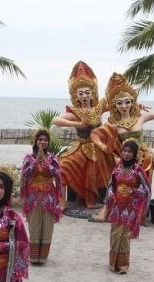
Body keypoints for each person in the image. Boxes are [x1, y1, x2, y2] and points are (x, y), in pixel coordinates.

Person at [90, 72, 154, 222]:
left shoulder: (140, 117)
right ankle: (106, 211)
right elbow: (94, 134)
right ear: (114, 105)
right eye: (119, 103)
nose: (124, 106)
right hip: (125, 158)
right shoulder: (114, 123)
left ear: (132, 102)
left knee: (142, 186)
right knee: (115, 183)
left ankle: (140, 214)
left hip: (143, 157)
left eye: (127, 102)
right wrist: (104, 148)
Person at [52, 61, 115, 210]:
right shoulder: (75, 112)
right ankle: (62, 201)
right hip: (81, 147)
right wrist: (77, 125)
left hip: (99, 147)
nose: (85, 96)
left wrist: (136, 108)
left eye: (87, 92)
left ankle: (109, 201)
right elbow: (56, 120)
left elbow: (116, 103)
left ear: (93, 93)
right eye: (81, 93)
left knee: (116, 167)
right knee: (62, 167)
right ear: (76, 96)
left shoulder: (99, 108)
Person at [104, 140, 150, 274]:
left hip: (130, 208)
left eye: (130, 152)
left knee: (124, 236)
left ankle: (123, 266)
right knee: (114, 234)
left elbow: (146, 190)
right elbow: (111, 184)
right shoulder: (117, 168)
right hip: (117, 206)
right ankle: (113, 264)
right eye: (124, 151)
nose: (126, 154)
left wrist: (134, 192)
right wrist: (111, 193)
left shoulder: (138, 170)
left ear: (135, 154)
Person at [20, 129, 63, 264]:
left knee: (47, 225)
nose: (42, 142)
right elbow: (25, 175)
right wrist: (35, 162)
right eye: (40, 139)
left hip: (49, 197)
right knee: (34, 223)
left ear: (48, 142)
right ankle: (33, 257)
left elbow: (57, 174)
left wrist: (44, 160)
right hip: (33, 197)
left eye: (45, 140)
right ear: (36, 141)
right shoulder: (28, 158)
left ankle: (43, 257)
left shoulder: (53, 158)